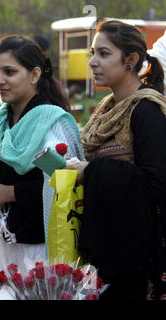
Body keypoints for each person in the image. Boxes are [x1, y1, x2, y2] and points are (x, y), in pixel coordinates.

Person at [0, 35, 84, 294]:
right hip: (8, 244)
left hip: (45, 246)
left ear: (34, 74)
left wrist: (9, 193)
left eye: (9, 72)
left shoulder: (52, 120)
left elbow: (66, 184)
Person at [65, 20, 166, 300]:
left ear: (130, 60)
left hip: (137, 260)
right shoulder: (106, 110)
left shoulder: (147, 112)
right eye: (92, 53)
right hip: (106, 253)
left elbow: (156, 184)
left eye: (104, 54)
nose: (93, 62)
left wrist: (92, 171)